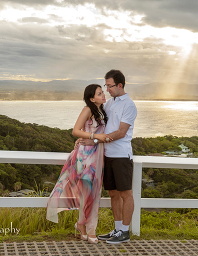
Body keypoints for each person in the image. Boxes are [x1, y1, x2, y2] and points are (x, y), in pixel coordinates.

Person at [46, 84, 110, 244]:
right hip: (85, 156)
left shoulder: (101, 110)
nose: (103, 95)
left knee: (92, 193)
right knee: (88, 192)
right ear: (91, 98)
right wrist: (93, 136)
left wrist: (94, 138)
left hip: (97, 156)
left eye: (102, 92)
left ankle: (82, 225)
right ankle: (90, 229)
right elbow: (75, 130)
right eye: (99, 93)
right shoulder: (87, 109)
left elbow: (94, 136)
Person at [79, 69, 137, 244]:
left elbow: (121, 132)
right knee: (113, 193)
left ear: (120, 85)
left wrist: (95, 142)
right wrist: (87, 137)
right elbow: (98, 126)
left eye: (110, 86)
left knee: (126, 193)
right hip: (107, 155)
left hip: (121, 155)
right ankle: (117, 229)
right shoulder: (109, 104)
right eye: (106, 86)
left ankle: (125, 232)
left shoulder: (129, 105)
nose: (107, 90)